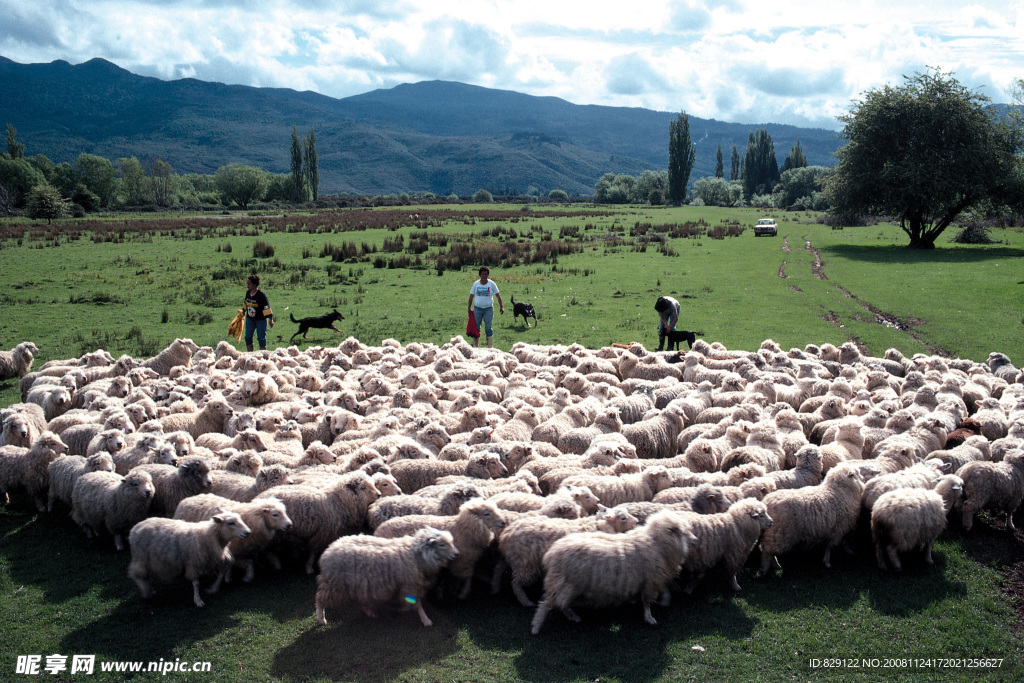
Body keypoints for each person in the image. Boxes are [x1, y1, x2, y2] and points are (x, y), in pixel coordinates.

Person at [467, 266, 503, 348]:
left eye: (486, 274)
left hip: (488, 309)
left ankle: (490, 347)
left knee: (488, 328)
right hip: (477, 309)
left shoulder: (492, 284)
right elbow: (471, 296)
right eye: (483, 274)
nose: (484, 276)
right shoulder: (476, 284)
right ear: (480, 275)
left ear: (488, 275)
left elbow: (498, 296)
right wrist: (469, 307)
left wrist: (501, 306)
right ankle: (475, 346)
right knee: (476, 328)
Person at [243, 274, 274, 351]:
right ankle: (250, 355)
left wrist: (270, 319)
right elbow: (246, 303)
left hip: (261, 319)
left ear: (254, 284)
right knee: (248, 337)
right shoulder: (248, 293)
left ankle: (262, 357)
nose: (247, 285)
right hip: (250, 319)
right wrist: (243, 311)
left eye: (249, 283)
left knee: (261, 339)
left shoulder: (261, 295)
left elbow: (266, 307)